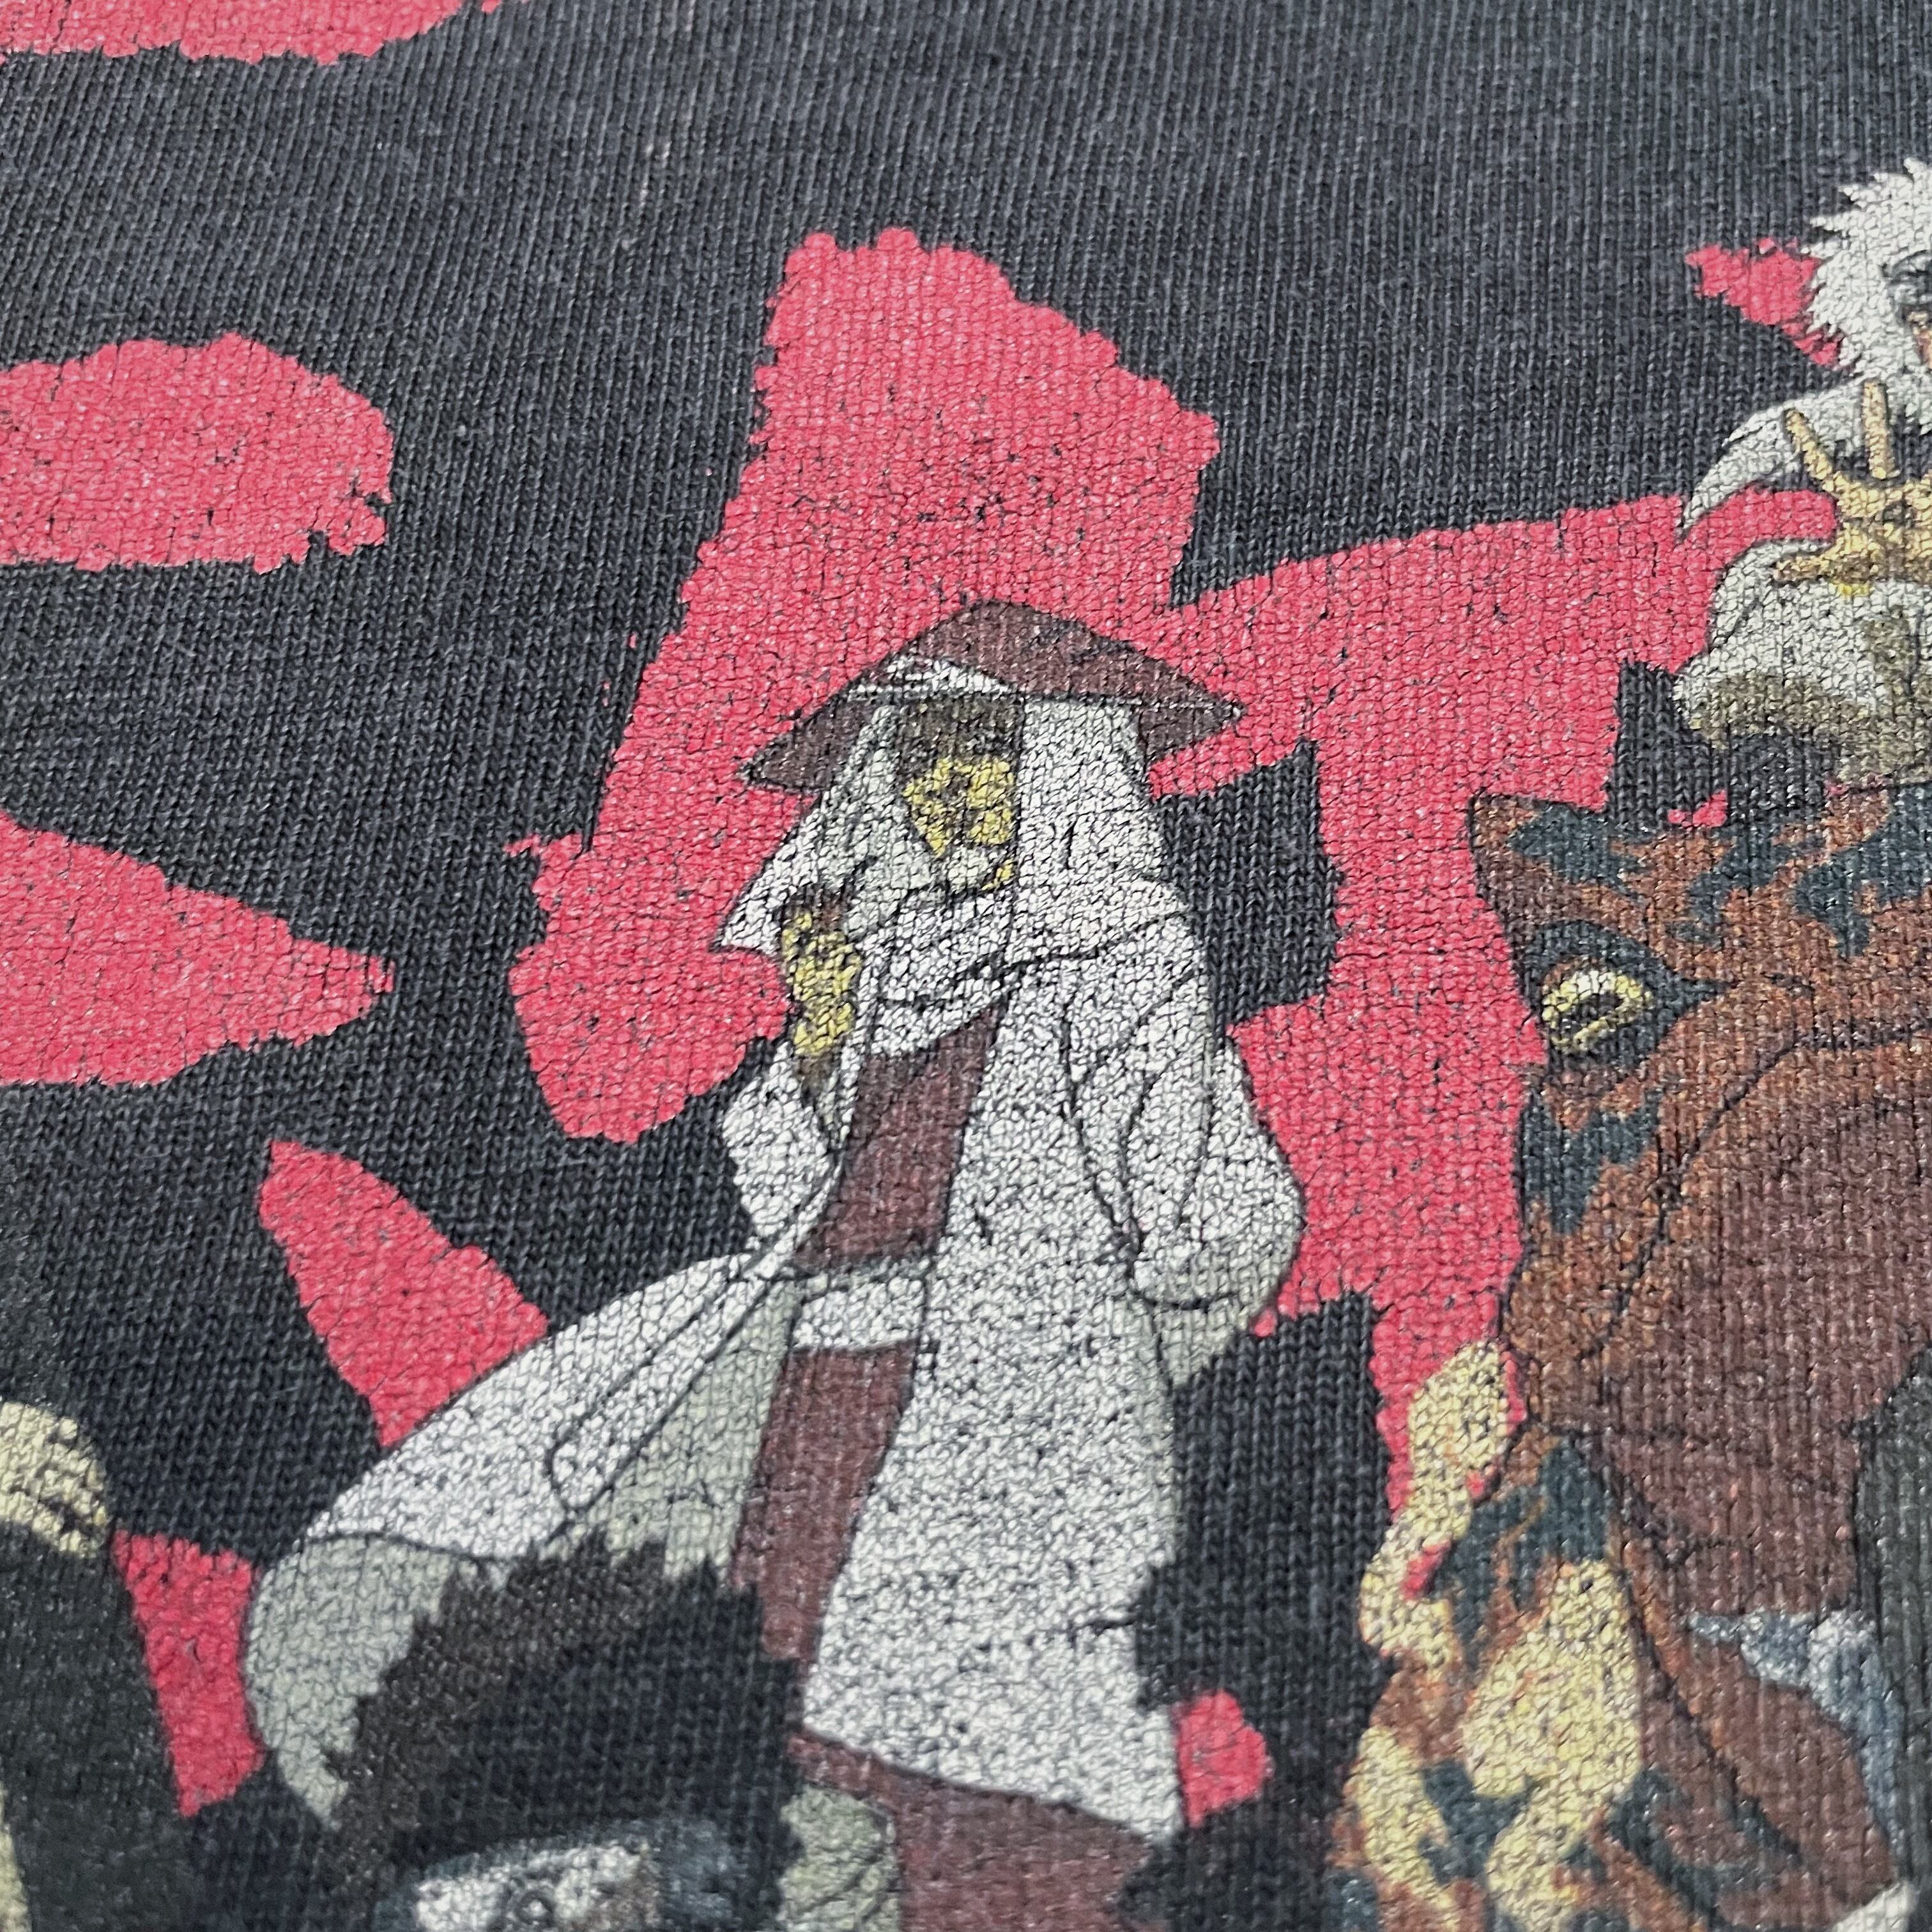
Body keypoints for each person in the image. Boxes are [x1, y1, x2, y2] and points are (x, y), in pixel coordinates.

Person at [243, 601, 1305, 1931]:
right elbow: (803, 1203)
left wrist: (1087, 1359)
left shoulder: (1121, 967)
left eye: (983, 750)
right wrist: (820, 1037)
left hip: (1012, 1413)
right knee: (786, 1702)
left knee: (982, 1727)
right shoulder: (891, 962)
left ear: (1065, 765)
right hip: (817, 1394)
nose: (948, 788)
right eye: (920, 758)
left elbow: (1227, 1218)